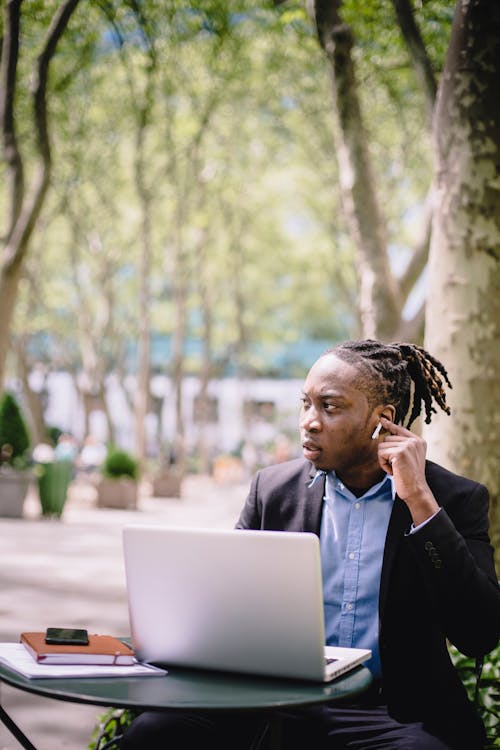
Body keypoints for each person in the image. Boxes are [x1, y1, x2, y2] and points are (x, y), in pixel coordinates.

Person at [121, 339, 500, 750]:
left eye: (330, 407)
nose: (309, 421)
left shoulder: (453, 498)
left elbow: (478, 632)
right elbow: (227, 606)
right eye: (306, 404)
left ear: (383, 421)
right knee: (154, 734)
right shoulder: (273, 490)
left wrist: (420, 502)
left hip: (392, 713)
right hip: (273, 700)